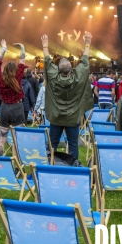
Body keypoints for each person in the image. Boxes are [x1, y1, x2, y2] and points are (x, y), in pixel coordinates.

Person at [41, 32, 93, 161]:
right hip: (73, 117)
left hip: (56, 117)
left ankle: (50, 163)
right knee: (73, 145)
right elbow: (85, 64)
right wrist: (87, 43)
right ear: (71, 69)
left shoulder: (53, 77)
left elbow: (48, 63)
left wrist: (45, 47)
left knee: (52, 143)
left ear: (58, 69)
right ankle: (72, 168)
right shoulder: (78, 77)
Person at [0, 40, 28, 156]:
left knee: (2, 140)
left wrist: (3, 50)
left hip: (4, 108)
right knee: (18, 139)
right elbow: (22, 61)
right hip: (17, 108)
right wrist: (22, 48)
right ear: (16, 71)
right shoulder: (17, 78)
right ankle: (18, 166)